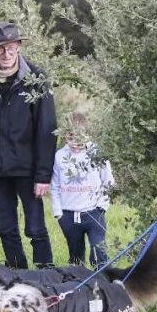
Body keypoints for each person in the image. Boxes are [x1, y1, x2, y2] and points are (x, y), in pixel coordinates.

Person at [0, 22, 57, 269]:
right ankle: (17, 276)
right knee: (6, 227)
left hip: (28, 170)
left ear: (18, 46)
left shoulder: (36, 79)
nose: (6, 54)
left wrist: (43, 175)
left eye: (10, 48)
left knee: (35, 228)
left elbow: (46, 130)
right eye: (0, 49)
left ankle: (45, 275)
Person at [50, 112, 115, 268]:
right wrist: (58, 213)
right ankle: (78, 284)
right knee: (76, 257)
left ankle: (105, 281)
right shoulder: (60, 156)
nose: (75, 143)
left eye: (79, 139)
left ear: (87, 135)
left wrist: (102, 206)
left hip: (93, 212)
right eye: (70, 138)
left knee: (99, 251)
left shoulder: (97, 153)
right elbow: (55, 185)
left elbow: (109, 181)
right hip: (69, 215)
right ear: (65, 135)